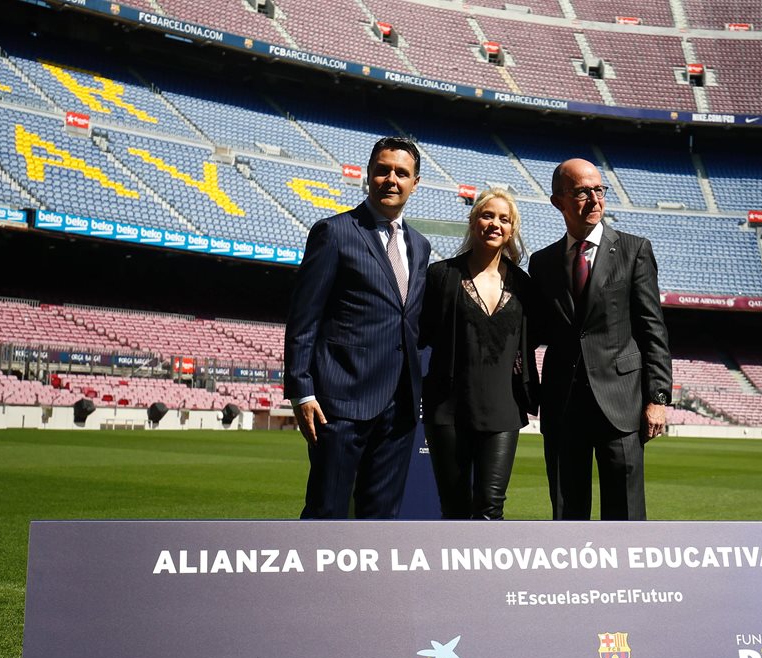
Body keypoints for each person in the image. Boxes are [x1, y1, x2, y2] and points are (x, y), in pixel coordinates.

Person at [284, 137, 430, 519]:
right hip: (341, 402)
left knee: (381, 518)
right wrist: (301, 390)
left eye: (402, 173)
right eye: (383, 170)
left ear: (416, 183)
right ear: (368, 175)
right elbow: (304, 317)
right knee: (326, 512)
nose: (391, 179)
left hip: (399, 407)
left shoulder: (421, 245)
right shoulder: (334, 232)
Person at [528, 158, 671, 520]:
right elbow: (534, 331)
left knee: (624, 515)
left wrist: (656, 398)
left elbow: (652, 329)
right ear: (558, 201)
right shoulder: (541, 262)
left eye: (599, 189)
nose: (594, 199)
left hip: (621, 404)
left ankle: (624, 579)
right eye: (581, 192)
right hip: (562, 405)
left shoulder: (634, 250)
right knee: (566, 513)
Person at [419, 188, 539, 519]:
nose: (494, 224)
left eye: (504, 219)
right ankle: (451, 574)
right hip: (448, 410)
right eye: (487, 215)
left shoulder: (524, 286)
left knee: (491, 508)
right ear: (474, 222)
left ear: (512, 229)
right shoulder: (441, 276)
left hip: (503, 411)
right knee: (454, 507)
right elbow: (420, 333)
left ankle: (485, 575)